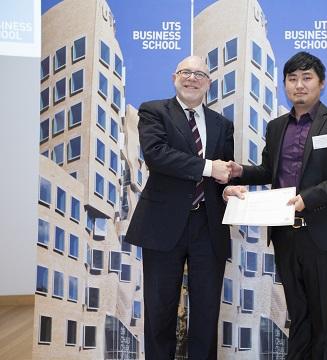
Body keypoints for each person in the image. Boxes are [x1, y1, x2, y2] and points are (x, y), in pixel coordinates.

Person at [225, 51, 327, 359]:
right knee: (298, 313)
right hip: (286, 235)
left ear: (321, 83)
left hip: (324, 234)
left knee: (326, 317)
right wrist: (240, 172)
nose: (299, 85)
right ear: (285, 85)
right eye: (292, 79)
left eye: (306, 78)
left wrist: (309, 197)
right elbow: (268, 171)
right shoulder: (276, 127)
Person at [125, 55, 234, 360]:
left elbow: (221, 174)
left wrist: (230, 189)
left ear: (208, 83)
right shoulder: (154, 111)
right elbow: (157, 155)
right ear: (175, 77)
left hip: (208, 226)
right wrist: (211, 168)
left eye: (200, 74)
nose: (192, 78)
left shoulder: (222, 124)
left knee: (206, 313)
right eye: (186, 72)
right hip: (162, 224)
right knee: (159, 312)